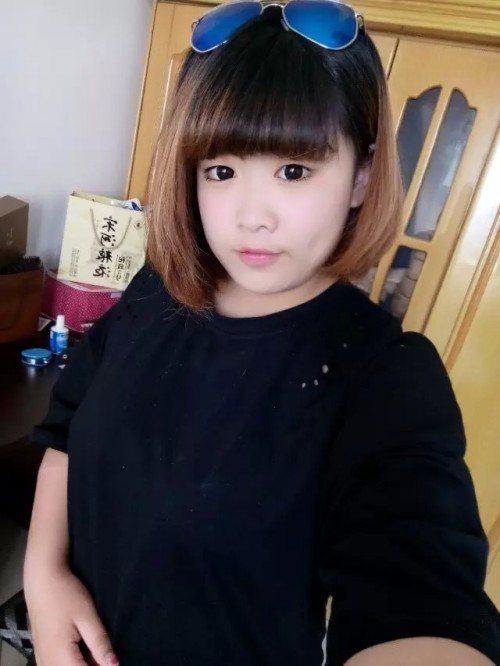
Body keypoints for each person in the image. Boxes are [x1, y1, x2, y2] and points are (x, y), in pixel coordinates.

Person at [24, 2, 500, 665]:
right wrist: (43, 576)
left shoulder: (385, 375)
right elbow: (67, 432)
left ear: (361, 176)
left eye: (293, 171)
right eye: (221, 171)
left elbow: (422, 593)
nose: (252, 217)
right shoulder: (155, 292)